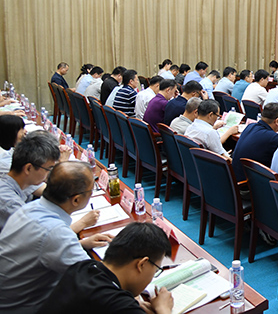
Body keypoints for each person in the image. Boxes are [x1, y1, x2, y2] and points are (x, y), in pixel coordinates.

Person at [0, 161, 112, 313]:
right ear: (76, 200)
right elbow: (96, 279)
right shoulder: (55, 233)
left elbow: (38, 248)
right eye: (90, 191)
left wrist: (80, 244)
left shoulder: (29, 208)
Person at [37, 222, 174, 314]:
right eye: (156, 269)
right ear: (141, 264)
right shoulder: (119, 305)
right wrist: (164, 309)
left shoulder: (83, 267)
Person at [0, 132, 98, 233]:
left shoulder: (10, 184)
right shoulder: (11, 205)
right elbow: (42, 237)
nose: (49, 174)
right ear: (29, 168)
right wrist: (83, 222)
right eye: (48, 169)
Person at [231, 103, 278, 180]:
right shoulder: (274, 138)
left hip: (234, 177)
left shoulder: (250, 126)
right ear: (277, 121)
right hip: (248, 183)